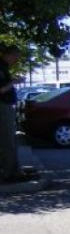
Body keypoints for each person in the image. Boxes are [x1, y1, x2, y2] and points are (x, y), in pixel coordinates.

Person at [0, 44, 23, 182]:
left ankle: (13, 171)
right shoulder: (1, 67)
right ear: (10, 55)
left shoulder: (4, 68)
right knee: (7, 141)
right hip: (3, 106)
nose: (16, 61)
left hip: (6, 106)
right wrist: (14, 82)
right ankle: (8, 174)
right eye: (16, 58)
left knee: (11, 140)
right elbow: (1, 90)